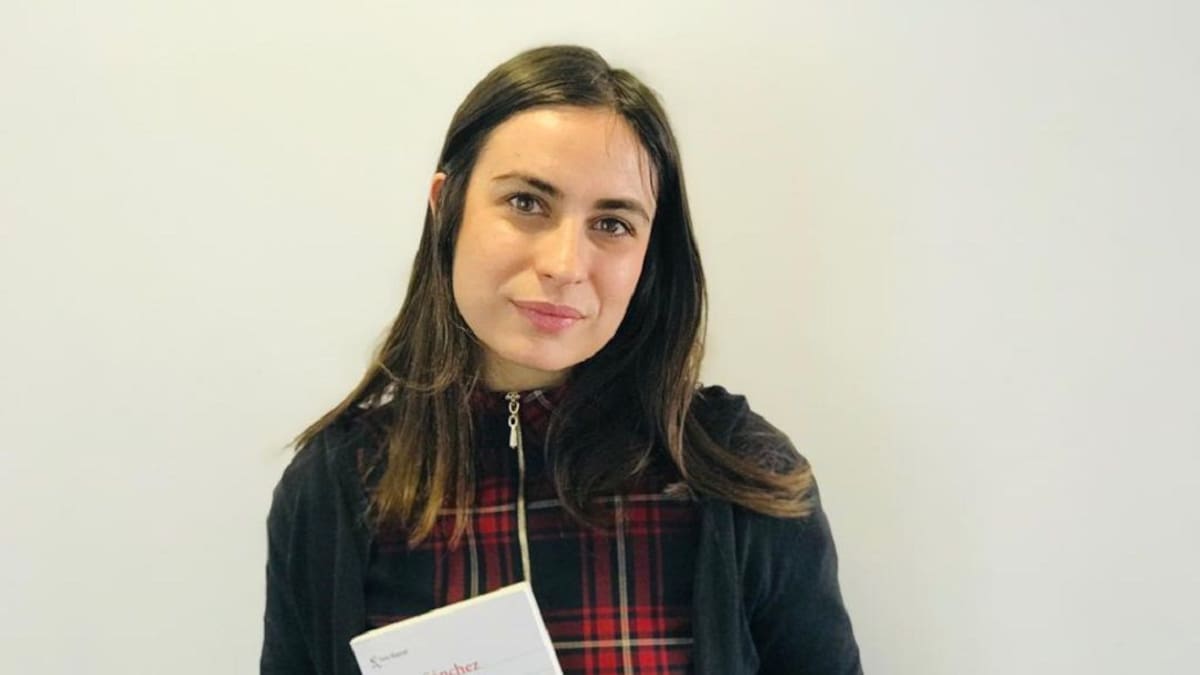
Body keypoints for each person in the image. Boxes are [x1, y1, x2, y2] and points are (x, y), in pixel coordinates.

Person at [261, 44, 862, 675]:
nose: (565, 265)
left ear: (649, 255)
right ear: (446, 207)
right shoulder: (336, 487)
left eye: (612, 224)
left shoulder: (740, 477)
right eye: (527, 203)